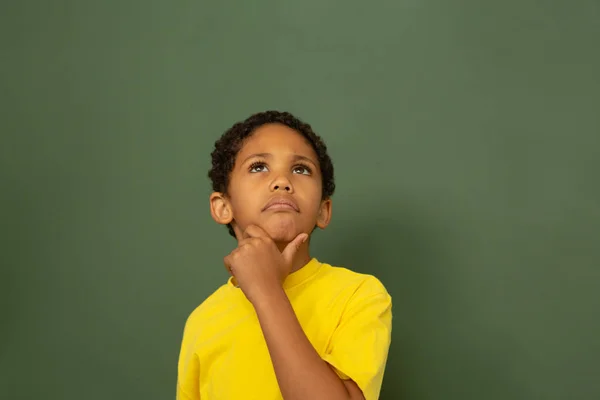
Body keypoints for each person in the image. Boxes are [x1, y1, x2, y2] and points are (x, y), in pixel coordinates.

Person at [176, 111, 392, 400]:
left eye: (301, 169)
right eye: (258, 167)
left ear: (323, 211)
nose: (281, 181)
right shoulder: (202, 322)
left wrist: (266, 290)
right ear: (222, 207)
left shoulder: (359, 295)